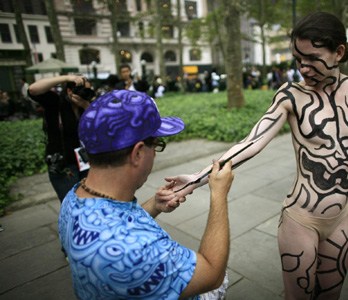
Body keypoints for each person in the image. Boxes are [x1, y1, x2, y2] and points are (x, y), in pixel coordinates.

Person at [164, 12, 348, 299]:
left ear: (338, 53)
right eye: (299, 59)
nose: (303, 68)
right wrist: (196, 179)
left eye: (311, 58)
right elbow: (252, 142)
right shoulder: (291, 95)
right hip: (301, 219)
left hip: (340, 219)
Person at [59, 89, 234, 299]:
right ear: (138, 153)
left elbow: (119, 220)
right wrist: (219, 194)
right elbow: (212, 273)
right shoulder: (133, 252)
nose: (156, 153)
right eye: (157, 144)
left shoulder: (73, 198)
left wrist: (154, 204)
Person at [28, 75, 95, 202]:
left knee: (91, 203)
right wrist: (66, 78)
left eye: (87, 90)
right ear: (69, 91)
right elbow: (33, 90)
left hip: (87, 164)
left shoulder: (87, 105)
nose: (84, 93)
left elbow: (101, 124)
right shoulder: (55, 103)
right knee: (72, 205)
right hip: (64, 165)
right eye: (80, 89)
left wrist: (85, 105)